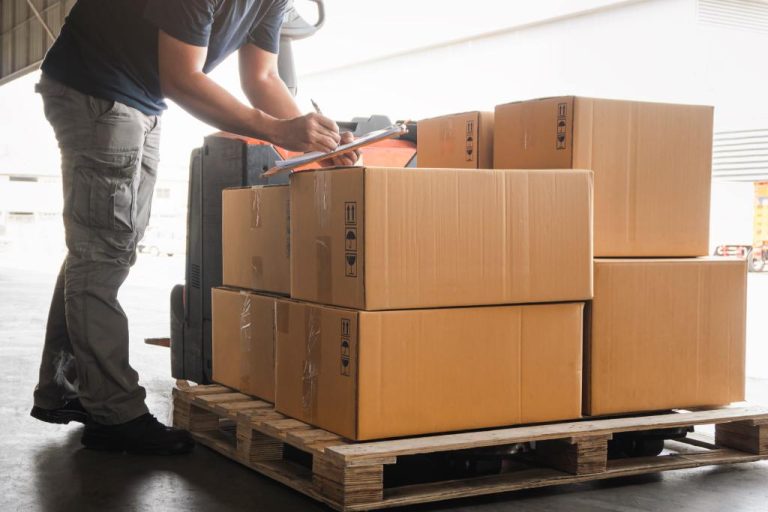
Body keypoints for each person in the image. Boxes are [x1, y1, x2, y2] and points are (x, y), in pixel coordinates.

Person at [29, 0, 359, 455]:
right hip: (96, 87)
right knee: (103, 251)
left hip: (139, 96)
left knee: (101, 246)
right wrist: (278, 132)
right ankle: (113, 414)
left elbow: (262, 77)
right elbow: (182, 77)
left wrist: (319, 141)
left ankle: (66, 387)